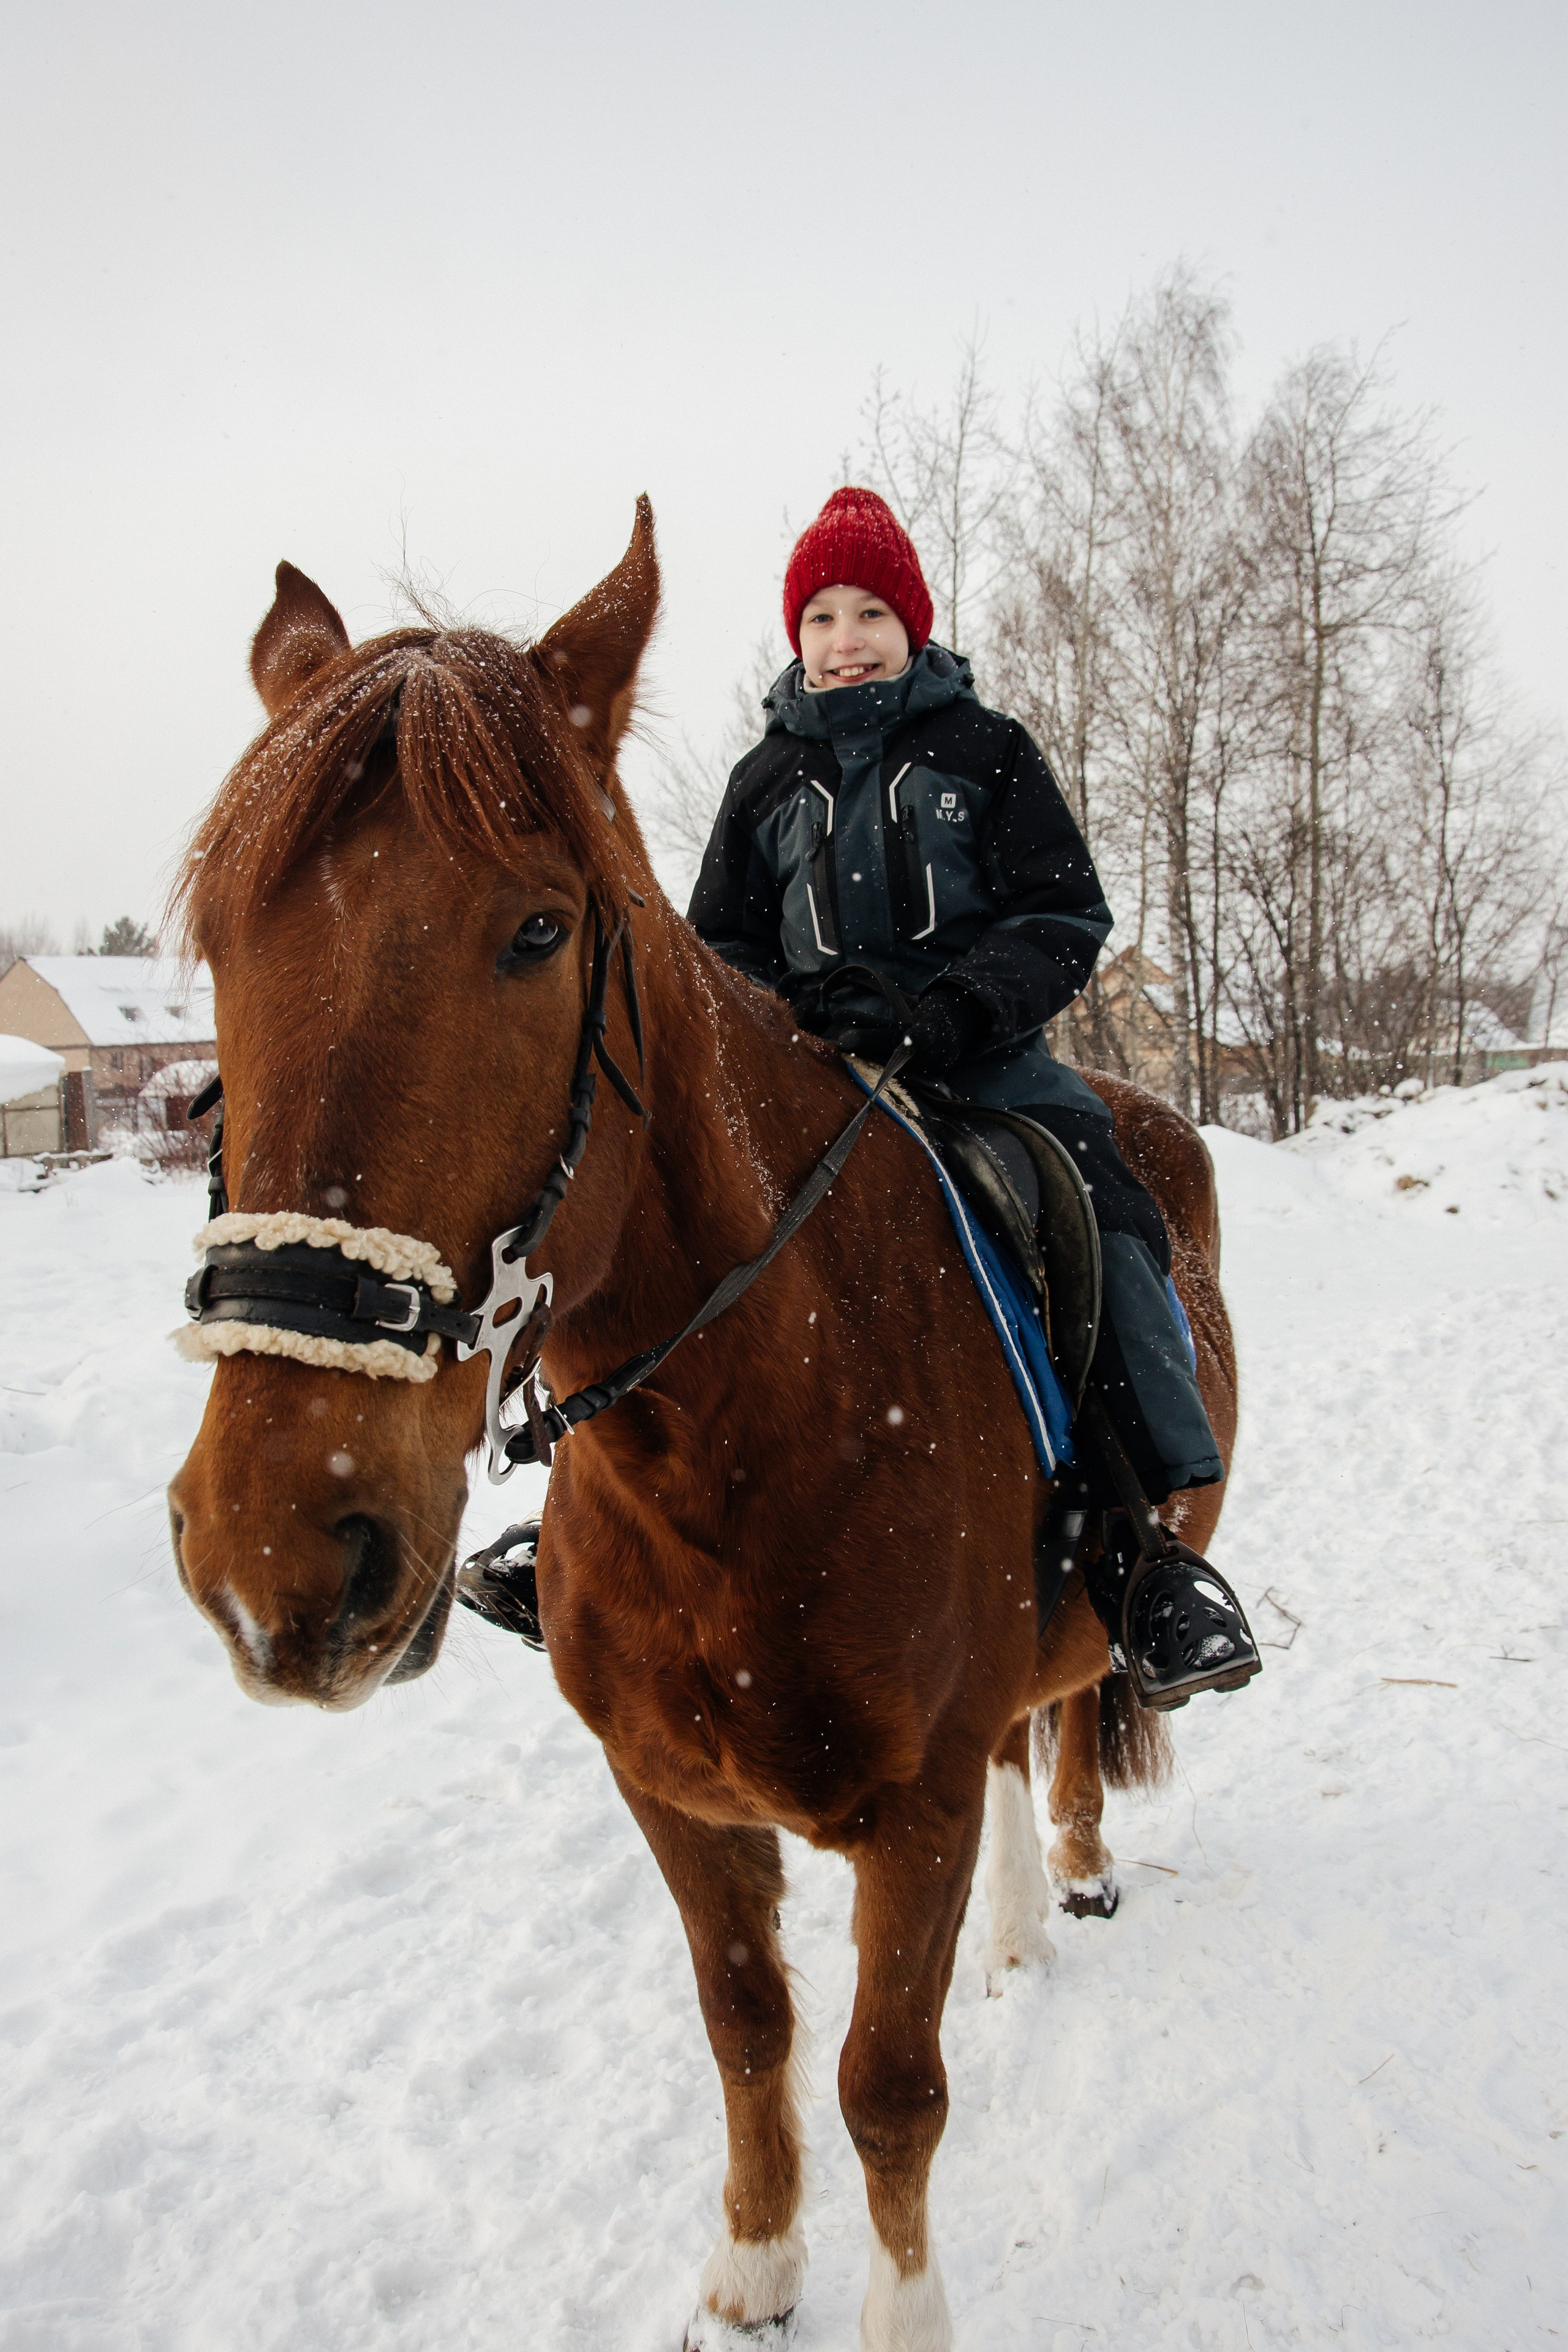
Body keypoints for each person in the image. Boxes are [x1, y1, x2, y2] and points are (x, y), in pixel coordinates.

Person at [682, 486, 1259, 1708]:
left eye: (872, 611)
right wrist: (791, 1016)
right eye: (823, 614)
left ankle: (1149, 1550)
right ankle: (591, 1517)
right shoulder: (763, 777)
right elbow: (714, 946)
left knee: (1098, 1218)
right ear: (796, 634)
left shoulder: (983, 752)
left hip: (979, 1063)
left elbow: (1063, 914)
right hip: (812, 1075)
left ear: (913, 623)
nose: (846, 637)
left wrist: (944, 1010)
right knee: (666, 1216)